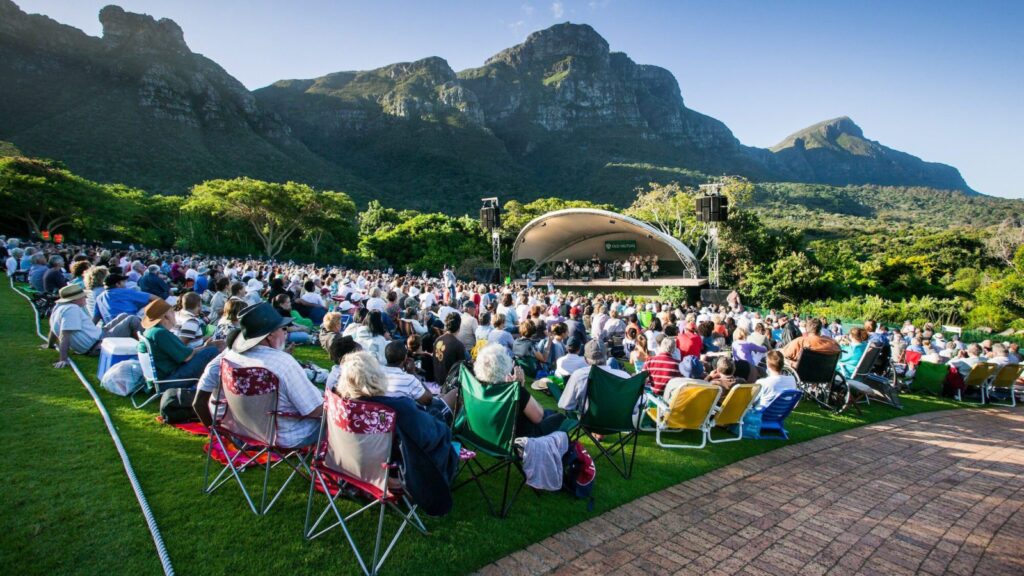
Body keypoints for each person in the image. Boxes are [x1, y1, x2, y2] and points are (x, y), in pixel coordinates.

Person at [192, 302, 323, 450]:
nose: (285, 333)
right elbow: (314, 410)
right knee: (332, 418)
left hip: (239, 432)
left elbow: (199, 401)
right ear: (271, 334)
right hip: (282, 437)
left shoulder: (228, 358)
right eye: (283, 329)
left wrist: (219, 434)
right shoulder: (283, 363)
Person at [42, 284, 143, 368]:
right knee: (132, 320)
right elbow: (65, 335)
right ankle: (148, 347)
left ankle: (141, 343)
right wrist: (63, 359)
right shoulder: (71, 310)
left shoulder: (59, 307)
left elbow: (53, 329)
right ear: (74, 299)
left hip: (98, 335)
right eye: (83, 297)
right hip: (97, 343)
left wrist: (50, 344)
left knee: (124, 315)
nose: (85, 298)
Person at [475, 343, 566, 437]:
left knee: (548, 413)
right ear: (505, 364)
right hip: (521, 438)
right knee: (558, 416)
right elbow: (538, 417)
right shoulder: (513, 391)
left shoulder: (478, 389)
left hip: (492, 434)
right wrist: (520, 387)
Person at [141, 299, 223, 381]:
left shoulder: (150, 331)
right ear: (166, 317)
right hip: (169, 379)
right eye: (172, 312)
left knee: (208, 349)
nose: (174, 315)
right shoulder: (160, 333)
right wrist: (206, 348)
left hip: (161, 378)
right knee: (212, 351)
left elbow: (185, 353)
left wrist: (205, 346)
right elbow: (187, 357)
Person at [383, 341, 457, 422]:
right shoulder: (408, 379)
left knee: (441, 396)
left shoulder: (376, 373)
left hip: (387, 417)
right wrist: (413, 373)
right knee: (455, 393)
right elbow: (428, 400)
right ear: (405, 357)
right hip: (408, 422)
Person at [557, 340, 631, 412]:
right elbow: (636, 407)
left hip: (589, 422)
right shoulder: (624, 376)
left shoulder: (579, 376)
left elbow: (566, 405)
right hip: (619, 422)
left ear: (585, 359)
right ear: (607, 356)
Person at [94, 273, 159, 324]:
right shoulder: (124, 291)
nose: (125, 283)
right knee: (151, 305)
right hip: (130, 325)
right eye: (123, 282)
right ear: (118, 284)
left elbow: (96, 318)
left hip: (111, 329)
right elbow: (154, 298)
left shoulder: (99, 298)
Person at [432, 311, 466, 384]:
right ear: (459, 326)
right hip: (449, 385)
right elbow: (462, 369)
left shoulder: (438, 339)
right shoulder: (458, 345)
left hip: (437, 380)